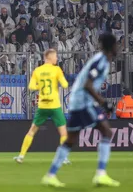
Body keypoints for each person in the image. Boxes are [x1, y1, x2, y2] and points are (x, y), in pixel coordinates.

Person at [42, 33, 119, 188]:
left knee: (70, 140)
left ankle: (50, 175)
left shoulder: (100, 60)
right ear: (112, 46)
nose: (119, 48)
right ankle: (101, 174)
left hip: (77, 101)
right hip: (83, 102)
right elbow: (88, 85)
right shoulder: (101, 61)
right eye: (117, 45)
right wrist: (103, 103)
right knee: (106, 132)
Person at [14, 49, 70, 164]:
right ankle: (64, 158)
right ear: (49, 57)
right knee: (63, 133)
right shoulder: (57, 69)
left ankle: (21, 156)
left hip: (42, 105)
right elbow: (65, 85)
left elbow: (31, 87)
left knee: (32, 131)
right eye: (55, 57)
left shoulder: (37, 70)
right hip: (54, 105)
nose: (57, 59)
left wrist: (40, 86)